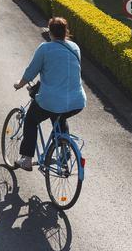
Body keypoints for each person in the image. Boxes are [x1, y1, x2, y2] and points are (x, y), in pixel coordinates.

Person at [12, 17, 86, 171]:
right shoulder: (75, 47)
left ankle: (26, 159)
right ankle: (63, 150)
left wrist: (19, 84)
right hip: (77, 101)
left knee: (31, 120)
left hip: (52, 100)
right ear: (66, 32)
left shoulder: (45, 48)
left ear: (50, 32)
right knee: (60, 115)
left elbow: (31, 72)